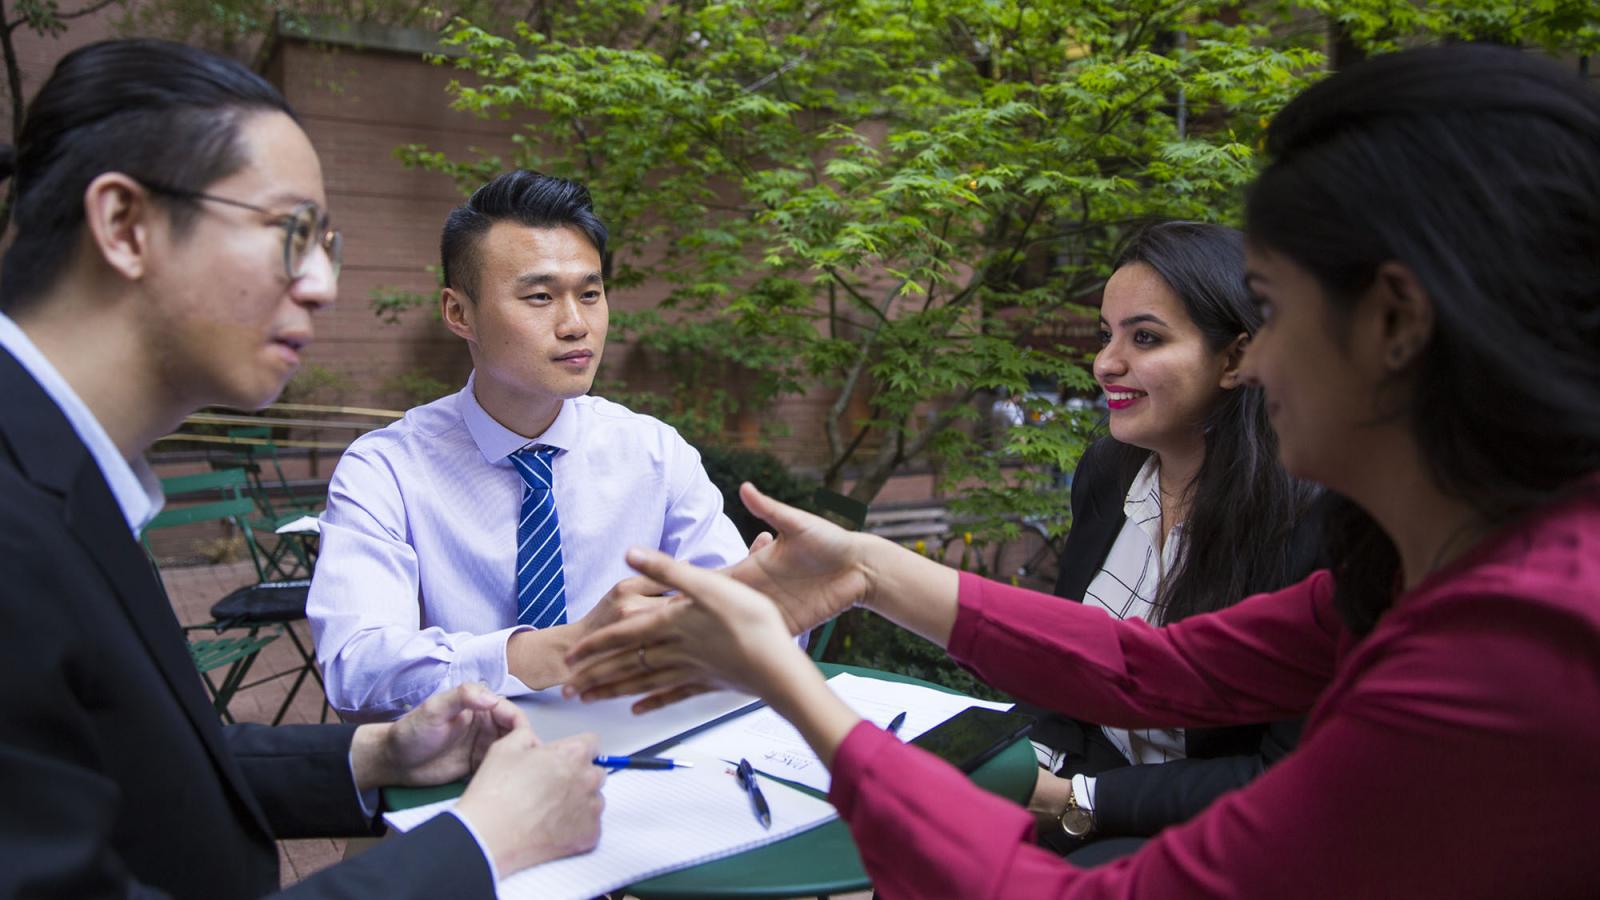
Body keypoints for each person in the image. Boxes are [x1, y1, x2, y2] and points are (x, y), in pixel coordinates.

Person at [564, 44, 1600, 897]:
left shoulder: (1515, 660)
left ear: (1393, 322)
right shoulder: (1440, 565)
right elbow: (1159, 668)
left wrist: (787, 682)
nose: (1260, 356)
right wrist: (870, 568)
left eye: (1273, 311)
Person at [0, 39, 604, 897]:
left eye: (328, 243)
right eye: (289, 234)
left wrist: (375, 751)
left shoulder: (62, 478)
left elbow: (131, 756)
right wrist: (483, 843)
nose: (321, 284)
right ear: (126, 226)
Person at [307, 169, 747, 721]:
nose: (575, 324)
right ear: (458, 313)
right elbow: (358, 670)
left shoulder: (654, 452)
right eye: (540, 297)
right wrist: (567, 649)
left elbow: (741, 622)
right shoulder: (386, 470)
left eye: (590, 294)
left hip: (643, 744)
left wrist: (769, 606)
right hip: (462, 771)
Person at [1018, 221, 1322, 858]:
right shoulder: (1108, 472)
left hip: (1214, 839)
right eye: (1107, 334)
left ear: (1237, 358)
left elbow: (1288, 775)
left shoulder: (1312, 524)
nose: (1106, 363)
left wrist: (1077, 799)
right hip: (1081, 779)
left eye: (1145, 337)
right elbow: (1065, 670)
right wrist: (1019, 768)